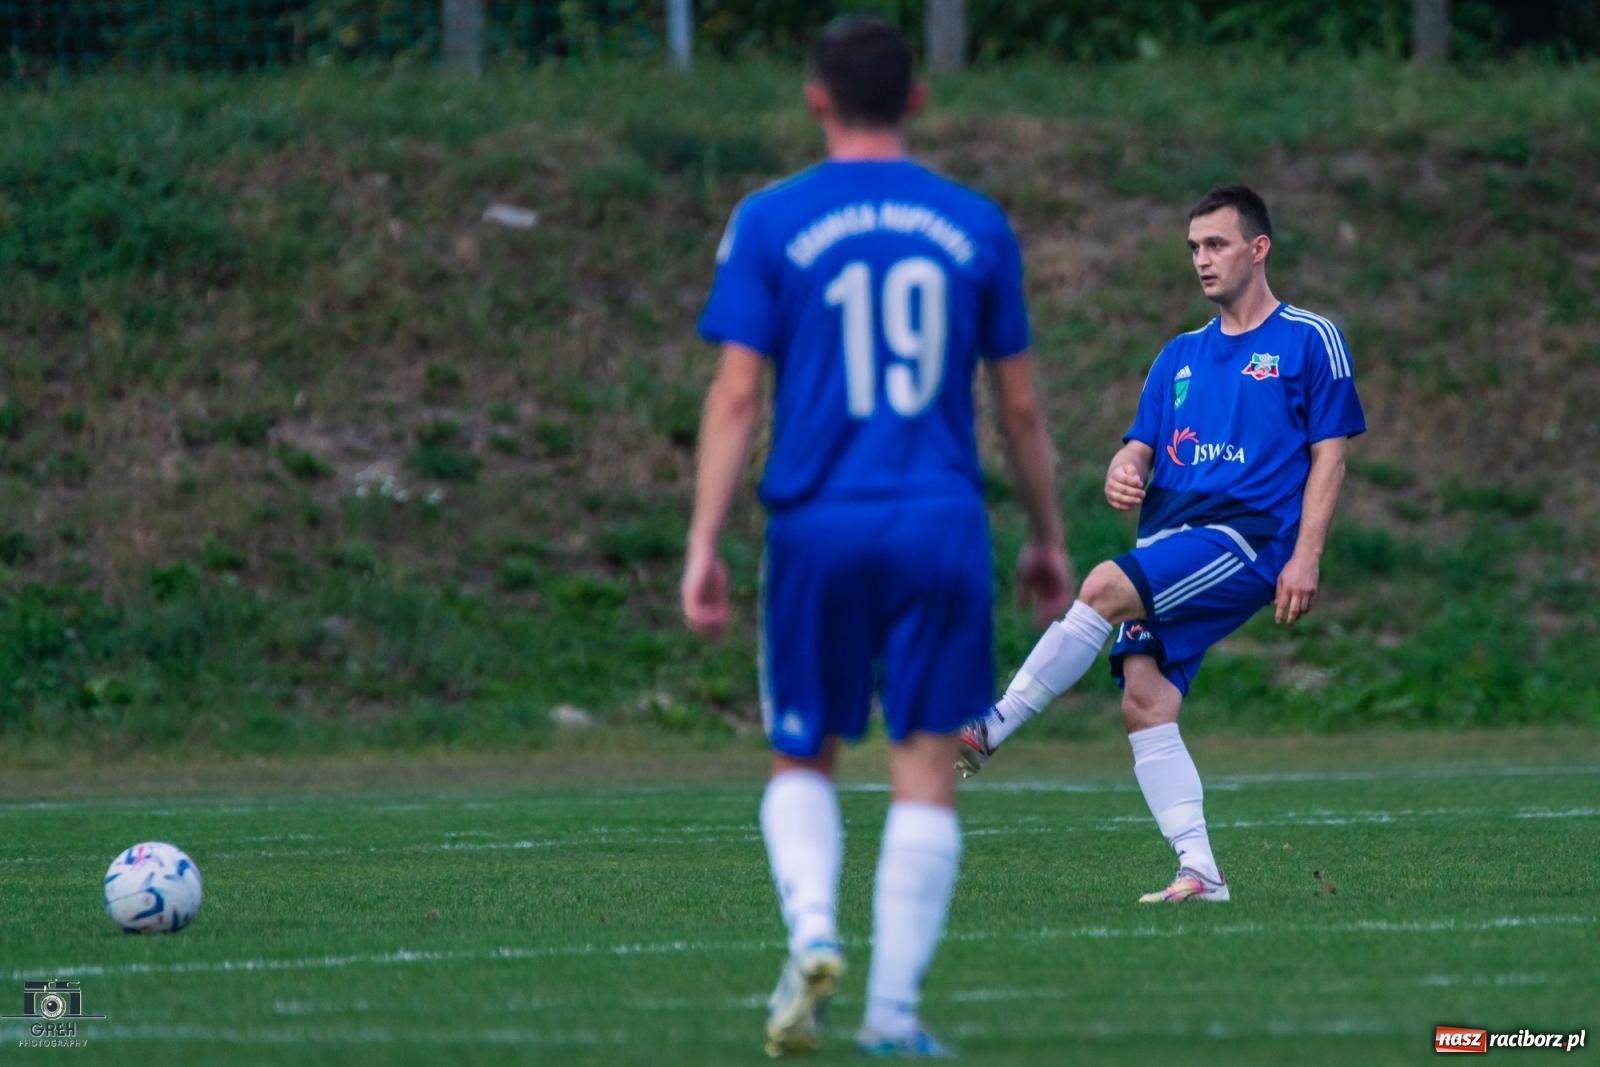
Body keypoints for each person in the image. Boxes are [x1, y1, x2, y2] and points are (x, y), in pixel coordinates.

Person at [681, 15, 1072, 1058]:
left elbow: (733, 397)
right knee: (925, 764)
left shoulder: (767, 220)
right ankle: (894, 1012)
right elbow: (1022, 409)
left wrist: (703, 541)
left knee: (802, 752)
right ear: (917, 99)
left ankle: (811, 930)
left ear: (815, 99)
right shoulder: (976, 223)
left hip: (815, 520)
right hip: (937, 518)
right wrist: (1045, 536)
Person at [957, 185, 1366, 904]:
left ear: (1258, 247)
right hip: (1173, 537)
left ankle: (990, 726)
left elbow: (1330, 455)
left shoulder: (1308, 338)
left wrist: (1307, 554)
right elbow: (1140, 450)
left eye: (1216, 244)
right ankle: (1201, 870)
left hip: (1246, 539)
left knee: (1099, 589)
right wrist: (1127, 466)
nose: (1202, 260)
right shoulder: (1178, 356)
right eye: (1194, 248)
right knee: (1144, 700)